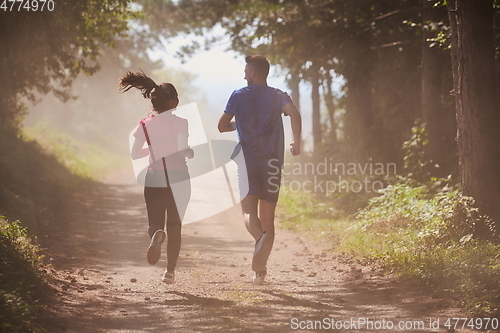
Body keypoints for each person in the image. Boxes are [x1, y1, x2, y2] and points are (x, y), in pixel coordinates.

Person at [218, 55, 302, 284]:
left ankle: (259, 244)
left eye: (246, 71)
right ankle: (260, 271)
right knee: (269, 219)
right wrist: (298, 142)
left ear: (254, 72)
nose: (244, 75)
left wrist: (242, 123)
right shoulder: (278, 96)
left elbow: (222, 126)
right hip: (273, 161)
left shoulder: (238, 95)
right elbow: (295, 114)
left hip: (247, 160)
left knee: (248, 213)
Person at [119, 71, 193, 284]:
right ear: (173, 101)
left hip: (154, 177)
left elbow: (134, 153)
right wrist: (189, 152)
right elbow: (182, 150)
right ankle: (169, 272)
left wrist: (153, 151)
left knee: (155, 222)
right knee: (176, 225)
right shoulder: (181, 122)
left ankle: (156, 234)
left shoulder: (145, 124)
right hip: (178, 177)